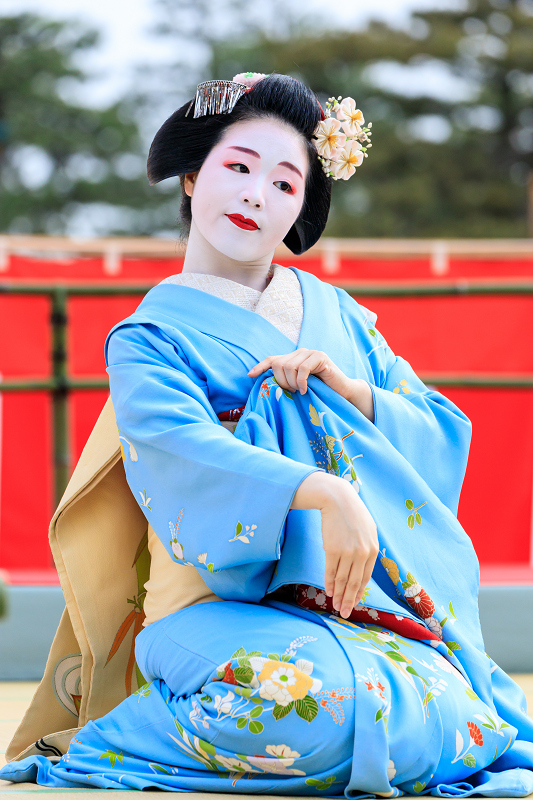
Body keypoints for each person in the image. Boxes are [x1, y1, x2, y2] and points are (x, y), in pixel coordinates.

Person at [2, 72, 533, 796]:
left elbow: (441, 431)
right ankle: (121, 733)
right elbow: (184, 455)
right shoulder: (148, 340)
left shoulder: (339, 315)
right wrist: (321, 491)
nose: (257, 195)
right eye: (238, 168)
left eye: (285, 184)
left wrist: (352, 395)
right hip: (215, 608)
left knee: (456, 718)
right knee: (306, 704)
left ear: (299, 208)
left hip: (356, 612)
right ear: (192, 177)